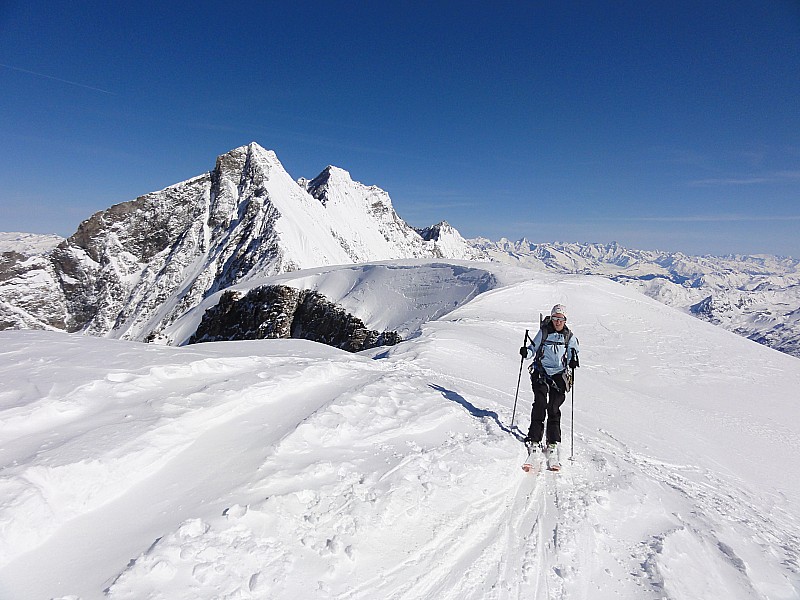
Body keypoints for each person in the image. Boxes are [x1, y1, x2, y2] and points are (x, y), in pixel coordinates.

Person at [519, 304, 580, 461]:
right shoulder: (544, 332)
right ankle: (534, 438)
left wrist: (573, 361)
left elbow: (573, 352)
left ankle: (553, 441)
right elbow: (533, 348)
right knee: (540, 403)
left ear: (565, 320)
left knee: (553, 406)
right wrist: (526, 353)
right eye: (555, 318)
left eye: (560, 319)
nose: (557, 321)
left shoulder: (569, 337)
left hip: (559, 374)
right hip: (541, 371)